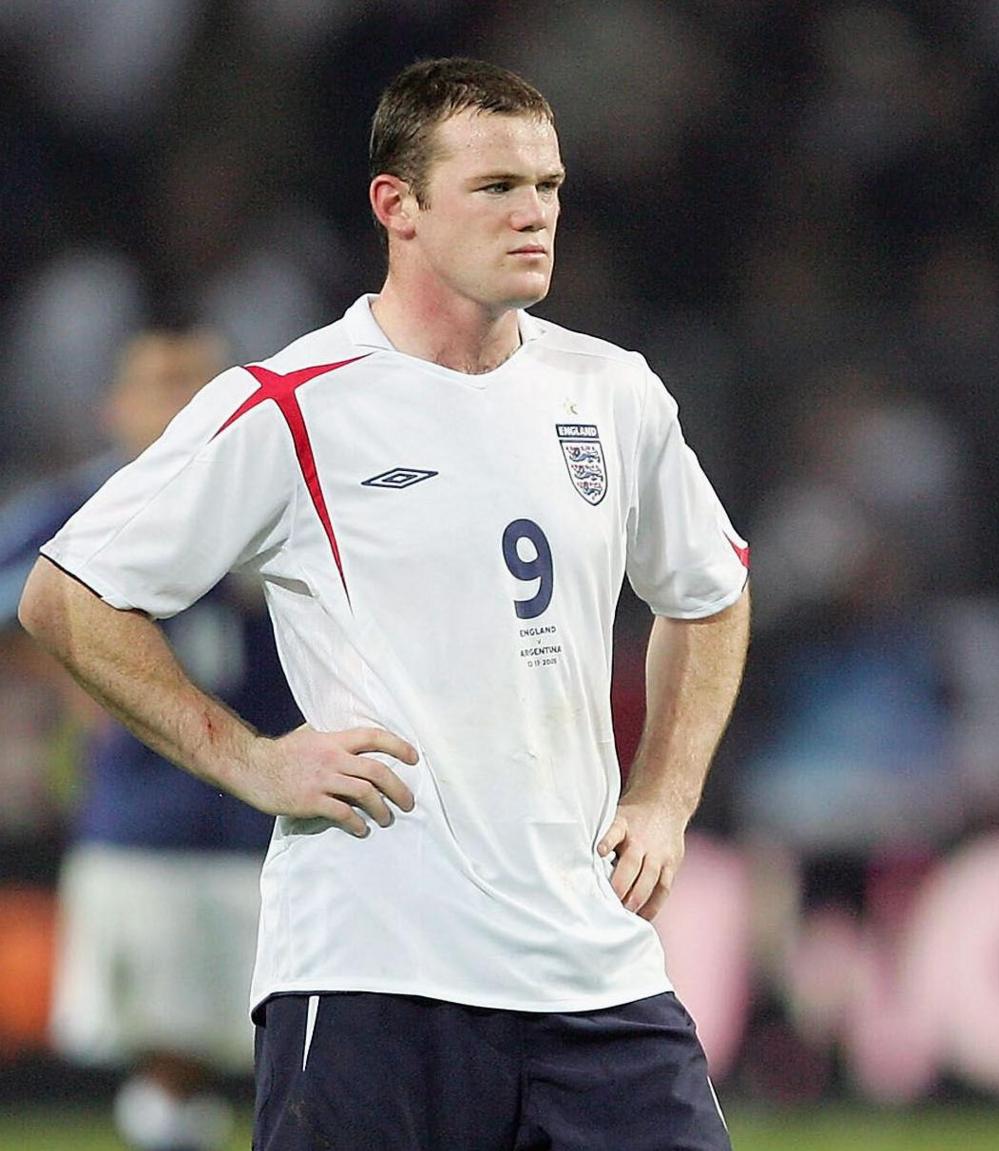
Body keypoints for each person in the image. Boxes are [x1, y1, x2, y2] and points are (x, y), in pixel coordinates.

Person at [18, 58, 751, 1151]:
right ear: (394, 206)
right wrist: (253, 758)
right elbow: (65, 595)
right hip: (373, 973)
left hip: (591, 966)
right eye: (497, 186)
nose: (535, 213)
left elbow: (711, 593)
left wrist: (666, 796)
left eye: (547, 186)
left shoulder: (613, 390)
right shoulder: (292, 407)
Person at [0, 327, 298, 1151]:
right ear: (115, 407)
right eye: (158, 382)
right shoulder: (81, 506)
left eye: (194, 382)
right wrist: (66, 673)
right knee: (169, 1055)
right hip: (145, 815)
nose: (177, 401)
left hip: (275, 818)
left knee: (293, 1055)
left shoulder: (284, 499)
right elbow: (18, 604)